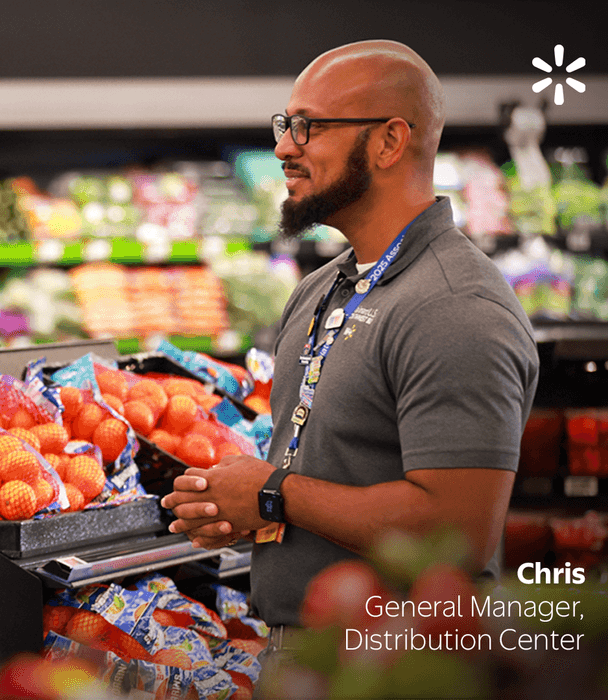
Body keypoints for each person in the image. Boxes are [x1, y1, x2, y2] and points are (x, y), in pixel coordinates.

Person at [161, 40, 539, 641]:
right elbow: (336, 478)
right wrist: (245, 511)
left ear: (389, 142)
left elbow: (457, 533)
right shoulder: (320, 289)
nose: (284, 147)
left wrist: (273, 494)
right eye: (286, 124)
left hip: (400, 659)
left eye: (310, 127)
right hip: (306, 649)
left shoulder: (456, 308)